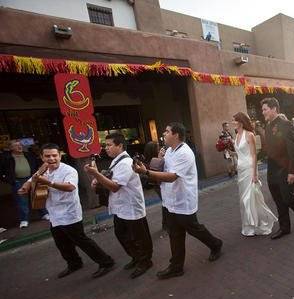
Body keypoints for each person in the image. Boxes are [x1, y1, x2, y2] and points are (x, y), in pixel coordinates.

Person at [133, 123, 223, 279]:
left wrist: (146, 172)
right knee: (175, 233)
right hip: (170, 201)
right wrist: (159, 160)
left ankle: (215, 244)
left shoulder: (185, 153)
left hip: (183, 200)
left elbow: (172, 176)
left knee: (194, 228)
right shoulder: (169, 150)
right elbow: (164, 170)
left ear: (176, 135)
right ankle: (176, 267)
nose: (164, 133)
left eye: (167, 131)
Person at [17, 143, 114, 279]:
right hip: (54, 214)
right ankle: (74, 263)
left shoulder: (69, 170)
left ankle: (106, 262)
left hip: (69, 213)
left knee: (82, 241)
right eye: (47, 156)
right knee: (61, 243)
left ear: (60, 155)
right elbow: (32, 178)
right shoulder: (43, 169)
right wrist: (25, 187)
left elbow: (70, 187)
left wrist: (49, 183)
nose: (51, 158)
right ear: (41, 157)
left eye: (54, 155)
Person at [84, 133, 153, 279]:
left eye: (109, 145)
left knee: (139, 237)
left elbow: (115, 187)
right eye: (105, 145)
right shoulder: (116, 160)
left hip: (131, 207)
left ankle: (145, 261)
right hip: (120, 207)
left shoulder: (125, 163)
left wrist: (96, 174)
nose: (106, 148)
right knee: (122, 234)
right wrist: (96, 177)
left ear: (120, 145)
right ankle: (136, 257)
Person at [261, 97, 294, 240]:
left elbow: (293, 150)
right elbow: (269, 147)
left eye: (265, 109)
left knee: (287, 197)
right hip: (272, 167)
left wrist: (292, 171)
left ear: (274, 108)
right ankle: (284, 227)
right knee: (277, 198)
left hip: (284, 167)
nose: (263, 112)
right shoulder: (268, 126)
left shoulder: (286, 124)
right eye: (262, 110)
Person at [232, 112, 276, 236]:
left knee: (249, 198)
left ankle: (257, 223)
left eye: (234, 120)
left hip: (249, 169)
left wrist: (254, 174)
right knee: (243, 199)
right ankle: (248, 225)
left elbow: (253, 155)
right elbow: (240, 152)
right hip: (240, 170)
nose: (232, 123)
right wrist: (232, 153)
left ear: (240, 121)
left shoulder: (249, 135)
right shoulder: (237, 135)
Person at [0, 140, 49, 228]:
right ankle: (24, 219)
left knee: (37, 197)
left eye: (20, 145)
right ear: (11, 148)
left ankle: (44, 214)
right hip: (18, 181)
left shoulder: (29, 155)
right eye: (16, 145)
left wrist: (38, 175)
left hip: (32, 178)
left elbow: (38, 165)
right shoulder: (6, 157)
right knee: (22, 201)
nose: (19, 147)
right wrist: (10, 180)